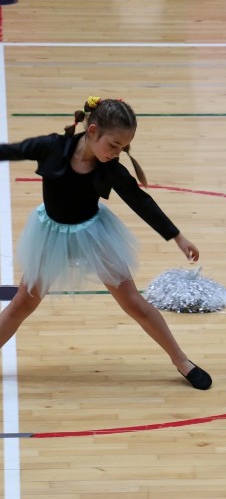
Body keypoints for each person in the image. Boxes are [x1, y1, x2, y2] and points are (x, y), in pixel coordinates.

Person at [0, 96, 212, 390]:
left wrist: (177, 236)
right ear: (92, 131)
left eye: (123, 148)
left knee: (133, 303)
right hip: (50, 236)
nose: (117, 153)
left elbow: (141, 201)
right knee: (21, 305)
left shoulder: (110, 169)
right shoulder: (53, 147)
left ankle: (182, 361)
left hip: (94, 234)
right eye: (113, 145)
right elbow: (12, 150)